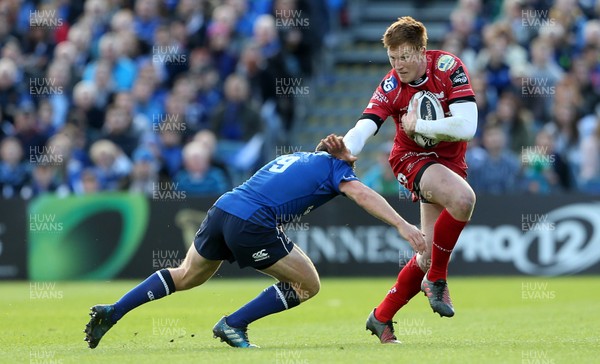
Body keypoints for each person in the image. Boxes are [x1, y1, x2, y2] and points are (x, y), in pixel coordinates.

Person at [84, 135, 426, 349]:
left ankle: (115, 311)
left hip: (222, 209)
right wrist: (401, 224)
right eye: (352, 154)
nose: (354, 160)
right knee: (307, 283)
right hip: (251, 223)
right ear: (340, 155)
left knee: (186, 274)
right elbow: (363, 194)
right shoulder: (336, 170)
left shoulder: (292, 157)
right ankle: (233, 324)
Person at [341, 16, 477, 343]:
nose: (398, 65)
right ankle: (438, 280)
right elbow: (366, 124)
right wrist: (344, 148)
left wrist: (421, 126)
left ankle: (381, 316)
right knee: (463, 200)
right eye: (392, 57)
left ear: (422, 51)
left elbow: (468, 126)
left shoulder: (448, 67)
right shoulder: (391, 85)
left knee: (426, 253)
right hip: (410, 159)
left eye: (404, 56)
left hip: (450, 162)